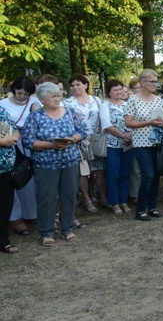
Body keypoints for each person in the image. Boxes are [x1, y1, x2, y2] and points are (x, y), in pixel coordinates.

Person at [22, 82, 88, 245]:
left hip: (70, 162)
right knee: (46, 198)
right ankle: (46, 232)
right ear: (43, 99)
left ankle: (67, 229)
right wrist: (51, 145)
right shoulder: (35, 116)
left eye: (59, 95)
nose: (58, 99)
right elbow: (27, 141)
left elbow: (82, 131)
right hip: (46, 165)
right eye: (53, 96)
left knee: (69, 196)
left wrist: (72, 139)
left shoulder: (70, 112)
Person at [124, 69, 163, 221]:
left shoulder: (158, 99)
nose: (156, 84)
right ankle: (141, 209)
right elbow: (129, 122)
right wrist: (149, 122)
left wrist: (162, 124)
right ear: (143, 82)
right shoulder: (133, 100)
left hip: (157, 142)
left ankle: (153, 207)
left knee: (156, 175)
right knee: (148, 175)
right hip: (141, 143)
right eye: (153, 81)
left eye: (157, 81)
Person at [0, 76, 40, 236]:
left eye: (25, 94)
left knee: (29, 180)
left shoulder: (35, 103)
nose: (22, 97)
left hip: (31, 144)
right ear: (13, 90)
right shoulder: (2, 105)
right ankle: (15, 218)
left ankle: (31, 214)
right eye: (19, 93)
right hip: (10, 146)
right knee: (14, 180)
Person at [65, 74, 106, 213]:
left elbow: (102, 117)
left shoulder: (96, 100)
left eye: (78, 84)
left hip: (95, 138)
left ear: (86, 85)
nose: (75, 87)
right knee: (83, 171)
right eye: (73, 85)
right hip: (79, 140)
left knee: (99, 170)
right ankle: (87, 199)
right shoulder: (67, 103)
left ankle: (102, 196)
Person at [100, 79, 134, 214]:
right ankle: (114, 202)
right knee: (113, 174)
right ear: (109, 92)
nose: (119, 92)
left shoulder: (128, 104)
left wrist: (130, 135)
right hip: (112, 145)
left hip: (128, 145)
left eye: (120, 89)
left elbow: (134, 120)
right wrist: (122, 135)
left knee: (125, 174)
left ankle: (124, 201)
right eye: (115, 90)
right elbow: (107, 125)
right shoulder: (105, 105)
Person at [0, 105, 21, 253]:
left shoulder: (1, 110)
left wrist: (14, 137)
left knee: (5, 205)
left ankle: (3, 241)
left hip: (6, 169)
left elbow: (14, 128)